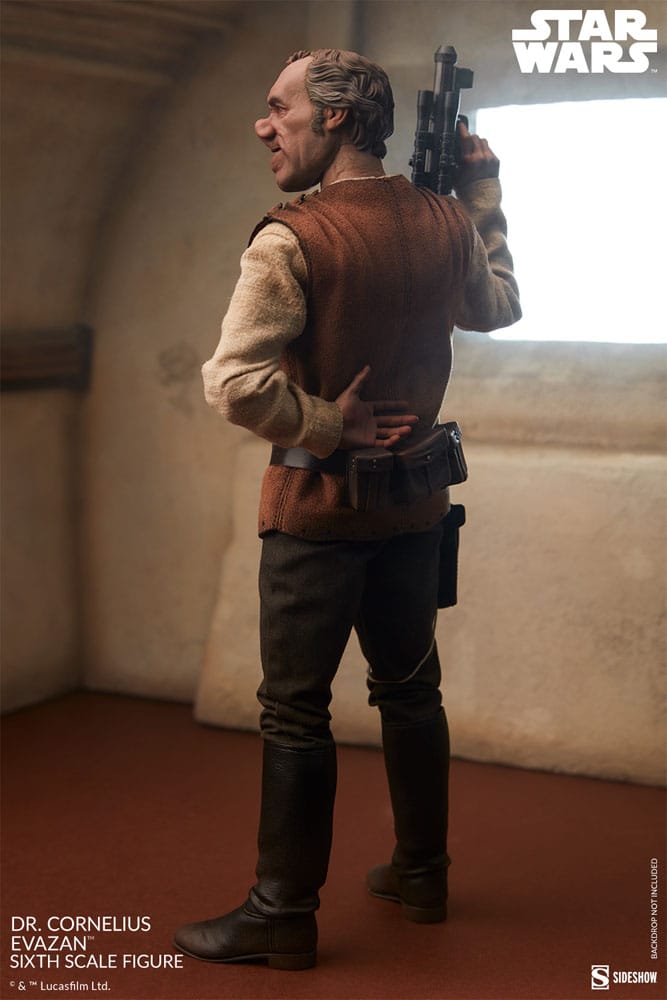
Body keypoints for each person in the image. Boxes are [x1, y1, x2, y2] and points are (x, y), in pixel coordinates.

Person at [174, 47, 520, 970]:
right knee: (411, 693)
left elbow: (233, 383)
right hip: (413, 509)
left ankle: (281, 913)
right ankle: (422, 874)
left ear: (334, 118)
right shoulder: (446, 222)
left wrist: (327, 423)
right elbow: (497, 307)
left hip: (318, 513)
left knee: (295, 713)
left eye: (278, 106)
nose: (264, 125)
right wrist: (480, 198)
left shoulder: (292, 238)